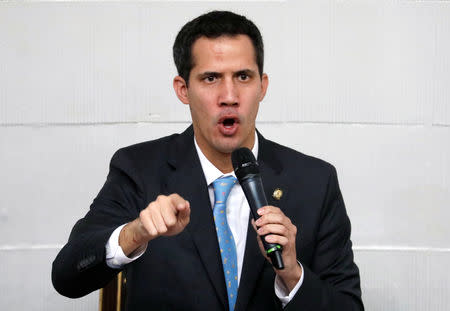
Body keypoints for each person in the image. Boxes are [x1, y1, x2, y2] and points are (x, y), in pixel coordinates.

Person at [52, 10, 364, 311]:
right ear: (183, 89)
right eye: (211, 78)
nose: (229, 95)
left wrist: (292, 274)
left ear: (262, 86)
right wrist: (135, 233)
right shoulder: (139, 169)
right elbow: (67, 276)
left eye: (243, 76)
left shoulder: (314, 181)